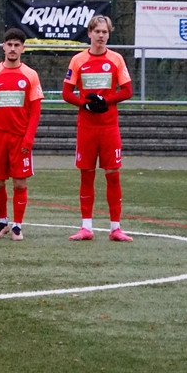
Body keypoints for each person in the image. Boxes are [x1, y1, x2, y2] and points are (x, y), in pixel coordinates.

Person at [62, 14, 134, 241]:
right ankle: (86, 227)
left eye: (105, 32)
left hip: (109, 127)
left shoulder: (116, 59)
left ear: (108, 34)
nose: (101, 36)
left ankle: (115, 228)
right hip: (86, 127)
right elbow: (66, 93)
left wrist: (106, 101)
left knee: (113, 175)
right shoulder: (78, 60)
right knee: (86, 175)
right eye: (97, 31)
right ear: (89, 33)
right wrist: (84, 104)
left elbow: (127, 91)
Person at [0, 28, 43, 241]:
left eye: (17, 45)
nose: (13, 49)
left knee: (19, 183)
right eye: (10, 45)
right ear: (3, 47)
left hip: (20, 137)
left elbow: (36, 110)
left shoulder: (30, 75)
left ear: (23, 48)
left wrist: (29, 138)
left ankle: (17, 226)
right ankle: (2, 222)